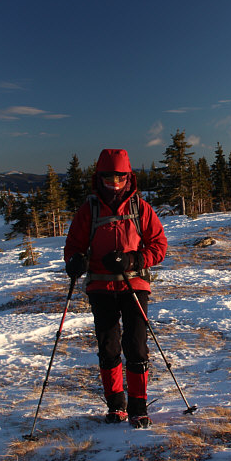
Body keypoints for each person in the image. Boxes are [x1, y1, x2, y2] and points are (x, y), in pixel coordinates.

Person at [63, 149, 167, 428]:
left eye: (120, 177)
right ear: (99, 177)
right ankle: (115, 405)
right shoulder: (89, 210)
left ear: (129, 177)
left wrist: (133, 260)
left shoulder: (141, 209)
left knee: (136, 345)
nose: (115, 183)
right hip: (100, 286)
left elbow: (159, 246)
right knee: (108, 346)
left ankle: (138, 407)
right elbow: (73, 246)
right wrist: (75, 261)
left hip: (134, 284)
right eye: (109, 177)